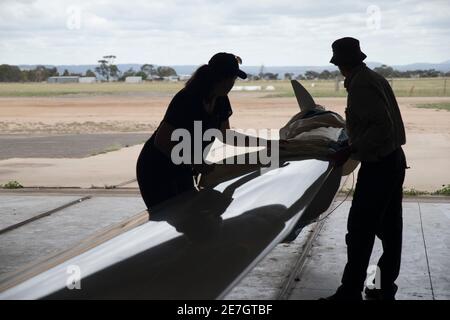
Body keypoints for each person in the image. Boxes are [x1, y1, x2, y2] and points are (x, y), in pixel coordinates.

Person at [325, 37, 407, 300]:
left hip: (379, 166)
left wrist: (349, 149)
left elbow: (381, 128)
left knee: (360, 232)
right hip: (392, 161)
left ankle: (349, 292)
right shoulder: (375, 78)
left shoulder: (361, 85)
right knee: (390, 231)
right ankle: (382, 288)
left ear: (341, 63)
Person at [136, 52, 269, 210]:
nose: (233, 84)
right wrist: (195, 162)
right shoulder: (187, 99)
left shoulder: (220, 100)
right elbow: (162, 141)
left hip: (183, 167)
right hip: (156, 168)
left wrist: (268, 143)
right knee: (171, 215)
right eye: (232, 79)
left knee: (189, 214)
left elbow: (226, 135)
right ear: (220, 78)